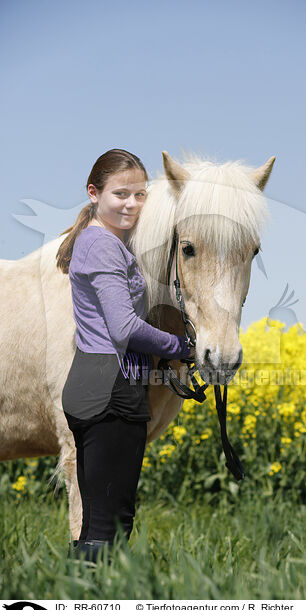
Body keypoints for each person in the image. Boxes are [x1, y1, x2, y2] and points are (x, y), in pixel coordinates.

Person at [57, 149, 193, 563]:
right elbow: (124, 328)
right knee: (111, 524)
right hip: (110, 386)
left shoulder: (103, 241)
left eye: (140, 194)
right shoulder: (102, 246)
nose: (132, 204)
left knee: (100, 519)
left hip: (99, 381)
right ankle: (96, 608)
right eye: (121, 194)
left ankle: (77, 602)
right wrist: (181, 349)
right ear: (94, 193)